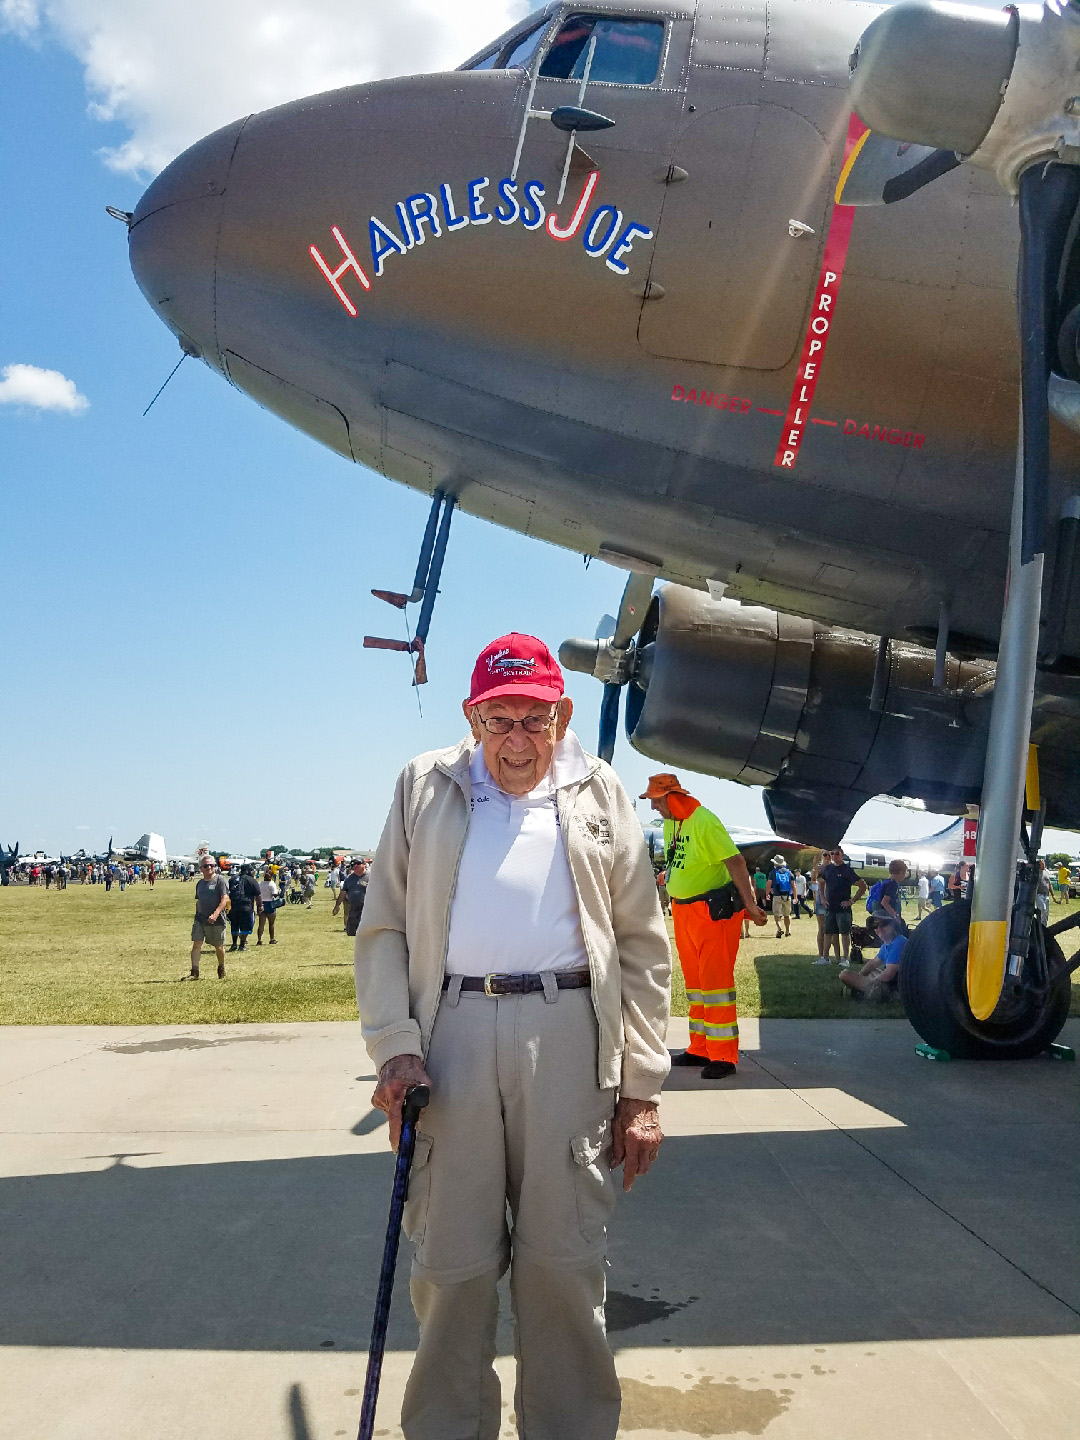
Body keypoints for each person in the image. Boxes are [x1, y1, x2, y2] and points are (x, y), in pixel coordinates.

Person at [356, 632, 671, 1440]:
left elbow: (639, 941)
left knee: (564, 1266)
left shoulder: (601, 790)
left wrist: (640, 1088)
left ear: (561, 718)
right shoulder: (421, 786)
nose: (518, 740)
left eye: (536, 718)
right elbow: (383, 928)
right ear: (473, 717)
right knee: (452, 1266)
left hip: (569, 1037)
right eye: (501, 720)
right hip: (450, 1034)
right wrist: (395, 1045)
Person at [644, 772, 767, 1080]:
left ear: (672, 798)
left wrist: (750, 905)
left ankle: (724, 1056)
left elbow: (736, 862)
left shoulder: (704, 821)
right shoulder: (674, 823)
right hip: (685, 913)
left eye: (656, 801)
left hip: (712, 913)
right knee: (697, 986)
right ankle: (700, 1048)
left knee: (716, 986)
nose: (653, 808)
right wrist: (669, 879)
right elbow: (683, 861)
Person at [841, 908, 906, 1001]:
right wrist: (861, 976)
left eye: (883, 924)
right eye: (875, 925)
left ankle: (864, 992)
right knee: (871, 971)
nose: (879, 929)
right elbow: (873, 963)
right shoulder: (888, 943)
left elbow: (889, 974)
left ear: (893, 925)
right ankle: (859, 990)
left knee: (844, 975)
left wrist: (868, 982)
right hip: (892, 984)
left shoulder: (899, 943)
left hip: (894, 989)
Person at [819, 848, 867, 965]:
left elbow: (862, 886)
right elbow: (821, 882)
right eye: (832, 853)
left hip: (843, 909)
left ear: (842, 855)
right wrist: (823, 898)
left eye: (837, 853)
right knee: (828, 932)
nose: (834, 855)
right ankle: (825, 958)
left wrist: (851, 901)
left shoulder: (847, 870)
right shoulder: (828, 869)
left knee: (845, 933)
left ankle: (845, 959)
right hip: (830, 907)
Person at [187, 857, 229, 979]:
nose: (209, 867)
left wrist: (215, 914)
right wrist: (197, 915)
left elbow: (225, 899)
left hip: (217, 920)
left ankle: (221, 967)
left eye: (211, 865)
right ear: (201, 868)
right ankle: (194, 972)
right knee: (197, 944)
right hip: (200, 919)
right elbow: (198, 900)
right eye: (206, 866)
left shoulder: (220, 880)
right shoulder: (200, 884)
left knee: (218, 946)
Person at [228, 864, 262, 951]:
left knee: (234, 925)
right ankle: (242, 944)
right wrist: (260, 906)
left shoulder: (232, 879)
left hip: (234, 906)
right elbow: (258, 895)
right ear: (247, 871)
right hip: (246, 906)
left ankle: (234, 943)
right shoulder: (252, 880)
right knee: (246, 926)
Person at [333, 856, 369, 935]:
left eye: (358, 863)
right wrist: (337, 905)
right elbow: (343, 892)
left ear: (364, 864)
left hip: (367, 911)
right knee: (352, 933)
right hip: (353, 911)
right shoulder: (349, 879)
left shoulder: (371, 877)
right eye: (353, 864)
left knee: (366, 934)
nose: (355, 865)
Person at [765, 853, 795, 938]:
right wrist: (795, 896)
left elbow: (768, 884)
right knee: (787, 914)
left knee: (777, 915)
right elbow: (793, 885)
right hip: (787, 896)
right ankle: (788, 930)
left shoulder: (772, 873)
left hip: (777, 895)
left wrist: (767, 894)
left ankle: (779, 928)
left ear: (775, 863)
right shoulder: (789, 872)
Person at [257, 868, 279, 944]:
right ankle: (272, 939)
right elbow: (275, 895)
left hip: (262, 903)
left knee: (261, 924)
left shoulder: (260, 883)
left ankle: (259, 940)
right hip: (270, 903)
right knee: (271, 923)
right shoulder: (272, 884)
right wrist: (279, 892)